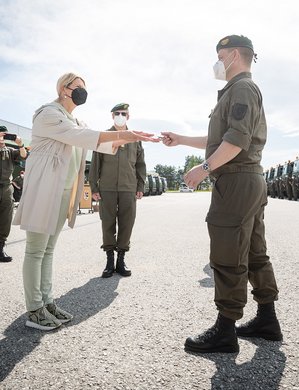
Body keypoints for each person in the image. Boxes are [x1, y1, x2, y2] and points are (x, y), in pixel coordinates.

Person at [162, 35, 282, 353]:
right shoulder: (235, 91)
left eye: (219, 55)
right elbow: (219, 137)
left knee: (228, 252)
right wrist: (181, 140)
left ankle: (225, 330)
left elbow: (236, 141)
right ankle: (267, 320)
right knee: (255, 251)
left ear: (232, 55)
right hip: (247, 179)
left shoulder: (242, 88)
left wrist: (202, 169)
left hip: (237, 181)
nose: (216, 62)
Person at [13, 73, 157, 331]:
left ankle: (47, 302)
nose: (82, 91)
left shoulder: (77, 120)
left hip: (63, 192)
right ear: (63, 89)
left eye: (84, 88)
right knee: (35, 250)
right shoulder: (48, 114)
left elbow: (100, 145)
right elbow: (81, 137)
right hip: (45, 191)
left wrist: (128, 137)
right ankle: (34, 309)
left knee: (48, 250)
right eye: (77, 87)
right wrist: (129, 134)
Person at [89, 103, 146, 278]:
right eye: (117, 113)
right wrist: (94, 187)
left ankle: (121, 259)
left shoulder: (135, 138)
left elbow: (140, 164)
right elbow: (95, 163)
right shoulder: (104, 136)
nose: (120, 116)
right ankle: (109, 260)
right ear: (112, 116)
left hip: (128, 188)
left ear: (128, 117)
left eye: (124, 113)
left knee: (127, 222)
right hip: (107, 187)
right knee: (107, 222)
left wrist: (140, 186)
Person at [0, 127, 27, 262]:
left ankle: (0, 248)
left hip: (6, 187)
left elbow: (23, 155)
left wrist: (20, 144)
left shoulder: (10, 151)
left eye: (4, 135)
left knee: (6, 218)